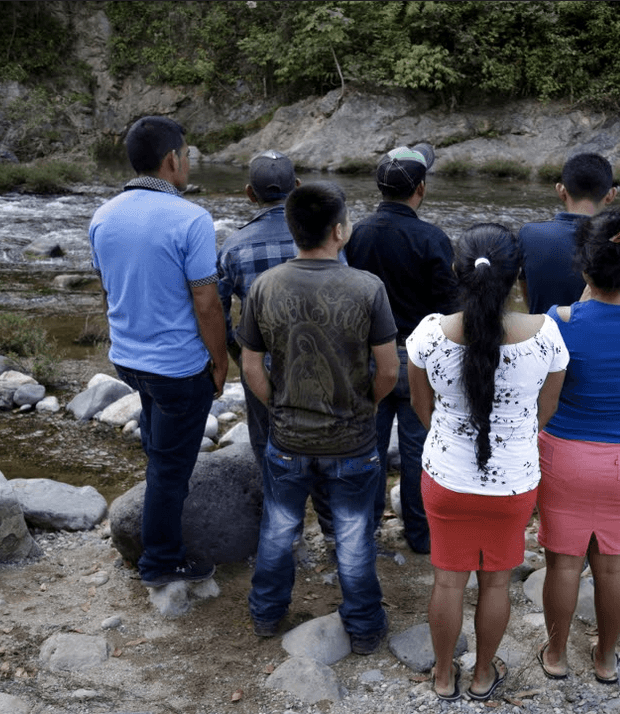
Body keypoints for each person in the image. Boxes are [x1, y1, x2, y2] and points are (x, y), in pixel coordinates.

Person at [407, 224, 568, 701]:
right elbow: (545, 412)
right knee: (496, 583)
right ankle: (481, 676)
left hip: (446, 479)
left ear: (457, 271)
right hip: (514, 483)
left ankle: (442, 677)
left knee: (447, 581)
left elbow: (421, 408)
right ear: (517, 275)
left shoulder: (430, 334)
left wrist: (449, 436)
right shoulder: (545, 335)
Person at [237, 181, 399, 653]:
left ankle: (266, 614)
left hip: (288, 439)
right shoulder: (368, 287)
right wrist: (366, 405)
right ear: (339, 231)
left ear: (293, 230)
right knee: (353, 537)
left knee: (277, 531)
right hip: (352, 441)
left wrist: (278, 406)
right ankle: (364, 627)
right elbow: (389, 369)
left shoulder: (264, 286)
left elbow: (250, 366)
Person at [534, 206, 620, 684]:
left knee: (563, 564)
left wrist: (586, 290)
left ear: (585, 266)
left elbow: (547, 380)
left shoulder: (560, 321)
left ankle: (556, 655)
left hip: (564, 455)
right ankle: (607, 659)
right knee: (613, 567)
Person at [88, 116, 228, 588]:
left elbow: (109, 289)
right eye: (186, 155)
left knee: (159, 447)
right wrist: (220, 360)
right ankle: (161, 562)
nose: (187, 162)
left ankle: (150, 531)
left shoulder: (103, 215)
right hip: (178, 367)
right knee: (170, 470)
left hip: (128, 359)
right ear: (172, 160)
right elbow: (206, 302)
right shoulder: (191, 218)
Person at [216, 150, 332, 552]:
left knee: (269, 447)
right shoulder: (324, 237)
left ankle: (287, 534)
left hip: (261, 367)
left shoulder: (233, 246)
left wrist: (235, 352)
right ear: (297, 187)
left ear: (250, 193)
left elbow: (217, 310)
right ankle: (335, 532)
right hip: (323, 367)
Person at [346, 143, 458, 555]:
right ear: (421, 189)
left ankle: (366, 526)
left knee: (369, 447)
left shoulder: (356, 234)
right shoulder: (432, 239)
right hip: (419, 359)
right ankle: (420, 533)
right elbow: (451, 308)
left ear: (379, 188)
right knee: (418, 449)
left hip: (368, 357)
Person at [518, 152, 618, 315]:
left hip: (544, 329)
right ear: (611, 195)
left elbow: (527, 295)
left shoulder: (529, 235)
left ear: (561, 191)